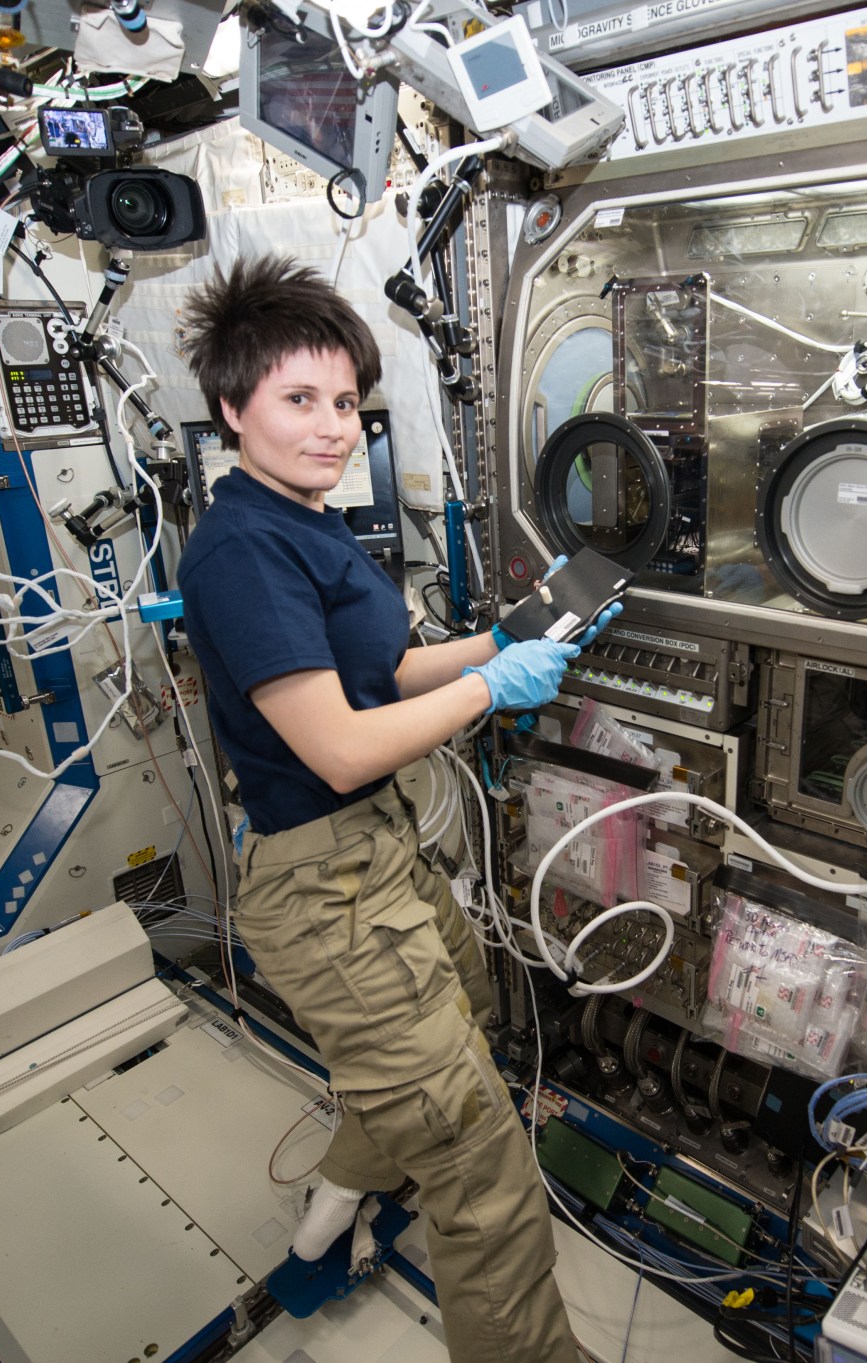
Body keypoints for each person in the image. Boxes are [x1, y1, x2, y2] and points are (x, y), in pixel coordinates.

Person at [176, 255, 616, 1363]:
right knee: (480, 1168)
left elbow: (386, 672)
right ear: (230, 408)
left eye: (344, 404)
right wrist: (489, 690)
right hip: (322, 884)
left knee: (457, 1014)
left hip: (371, 854)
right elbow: (334, 747)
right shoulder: (241, 550)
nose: (331, 428)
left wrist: (507, 641)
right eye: (298, 400)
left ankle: (330, 1211)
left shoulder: (311, 525)